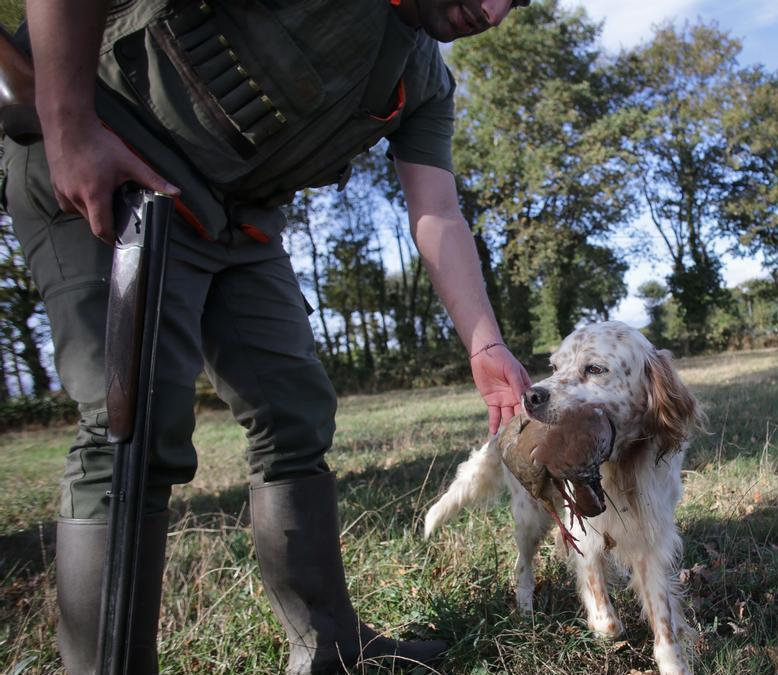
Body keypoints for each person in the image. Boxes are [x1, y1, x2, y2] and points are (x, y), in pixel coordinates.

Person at [4, 0, 533, 672]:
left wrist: (485, 344)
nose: (491, 11)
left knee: (295, 411)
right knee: (133, 420)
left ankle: (331, 647)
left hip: (236, 219)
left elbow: (437, 212)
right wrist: (68, 123)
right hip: (113, 157)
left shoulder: (420, 79)